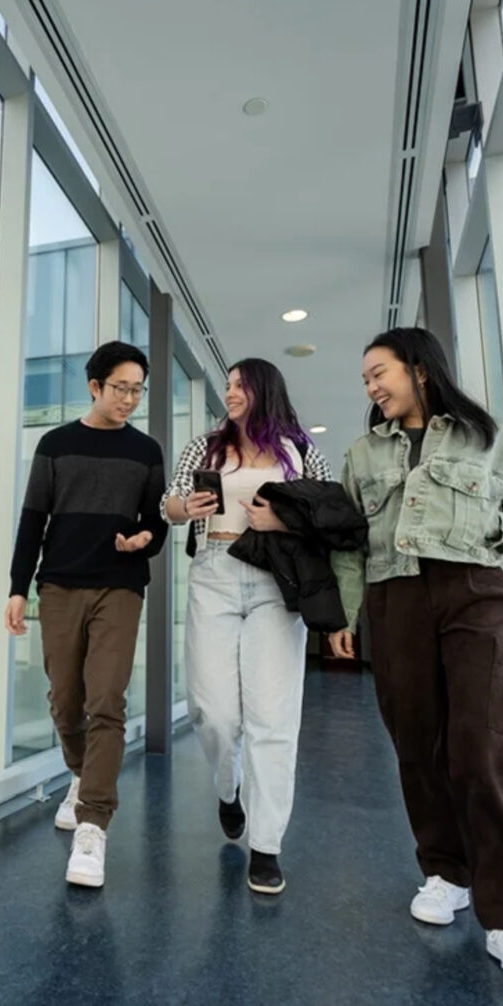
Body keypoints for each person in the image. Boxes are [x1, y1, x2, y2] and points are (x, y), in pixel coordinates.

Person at [328, 327, 503, 982]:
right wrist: (343, 618)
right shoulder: (363, 453)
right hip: (394, 599)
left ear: (420, 369)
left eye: (380, 372)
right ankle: (445, 872)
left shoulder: (492, 437)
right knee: (417, 743)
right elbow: (348, 542)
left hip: (475, 592)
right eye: (366, 379)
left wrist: (498, 526)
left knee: (483, 745)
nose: (371, 387)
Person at [161, 358, 332, 894]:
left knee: (273, 717)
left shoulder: (299, 448)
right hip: (214, 570)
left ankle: (266, 845)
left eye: (239, 385)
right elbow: (167, 503)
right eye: (228, 385)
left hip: (276, 579)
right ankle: (228, 787)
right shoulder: (205, 445)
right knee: (212, 712)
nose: (229, 392)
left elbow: (327, 510)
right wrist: (185, 507)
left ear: (262, 389)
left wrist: (282, 519)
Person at [5, 340, 168, 888]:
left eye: (137, 390)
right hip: (59, 585)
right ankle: (81, 775)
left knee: (106, 700)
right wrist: (17, 587)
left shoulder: (146, 451)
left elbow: (157, 521)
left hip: (120, 586)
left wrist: (146, 538)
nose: (129, 399)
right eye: (121, 388)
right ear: (94, 386)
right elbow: (33, 519)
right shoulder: (56, 443)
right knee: (64, 700)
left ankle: (93, 826)